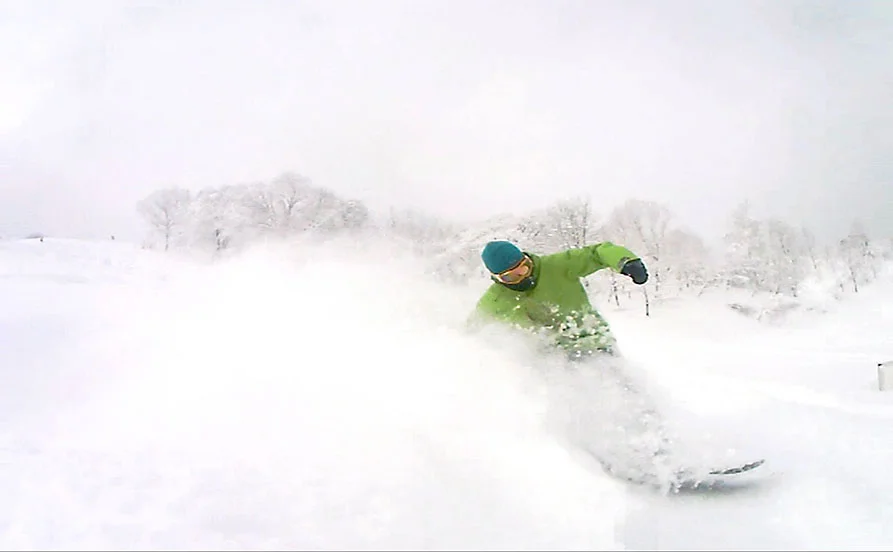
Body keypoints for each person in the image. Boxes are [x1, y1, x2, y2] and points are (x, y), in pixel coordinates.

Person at [470, 239, 648, 359]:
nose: (523, 277)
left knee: (621, 390)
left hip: (596, 343)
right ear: (498, 278)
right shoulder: (496, 301)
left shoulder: (556, 266)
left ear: (528, 260)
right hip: (555, 360)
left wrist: (625, 261)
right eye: (511, 277)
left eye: (524, 268)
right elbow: (470, 332)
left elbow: (596, 253)